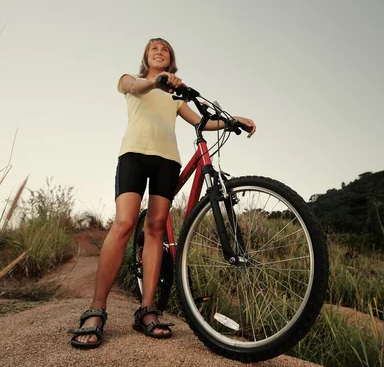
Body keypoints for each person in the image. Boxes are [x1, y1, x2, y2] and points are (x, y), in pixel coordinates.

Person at [68, 38, 257, 349]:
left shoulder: (175, 97)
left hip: (167, 161)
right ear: (147, 57)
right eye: (154, 48)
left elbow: (201, 120)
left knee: (155, 228)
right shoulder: (132, 81)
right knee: (125, 223)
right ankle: (97, 309)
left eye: (165, 49)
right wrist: (156, 81)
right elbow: (138, 88)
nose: (159, 51)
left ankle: (147, 310)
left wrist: (232, 119)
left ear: (171, 60)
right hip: (134, 155)